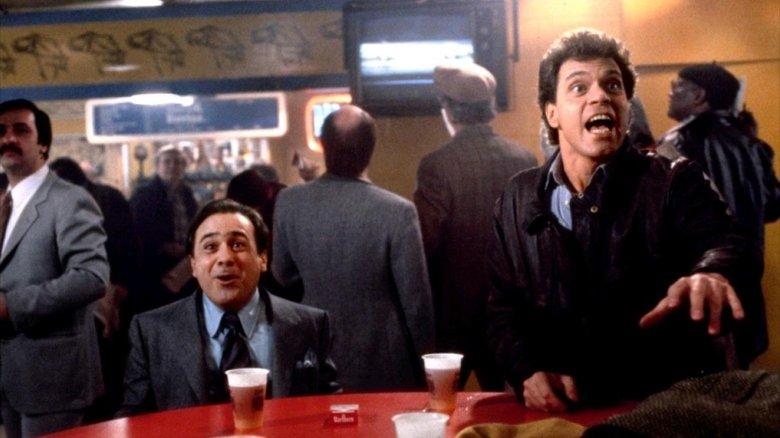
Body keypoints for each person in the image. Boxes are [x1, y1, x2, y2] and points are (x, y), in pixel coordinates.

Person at [487, 29, 761, 412]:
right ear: (552, 113)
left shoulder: (675, 181)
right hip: (559, 414)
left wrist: (713, 273)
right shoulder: (517, 198)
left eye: (612, 85)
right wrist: (525, 370)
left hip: (653, 412)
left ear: (626, 107)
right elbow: (502, 308)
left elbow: (727, 244)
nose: (600, 96)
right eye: (579, 87)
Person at [120, 199, 340, 416]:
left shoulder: (310, 325)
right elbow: (134, 421)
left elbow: (331, 411)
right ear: (193, 265)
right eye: (210, 247)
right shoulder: (151, 332)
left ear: (263, 258)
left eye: (237, 245)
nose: (225, 258)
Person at [272, 105, 434, 391]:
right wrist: (428, 368)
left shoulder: (289, 201)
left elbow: (283, 276)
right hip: (385, 364)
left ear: (323, 145)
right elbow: (416, 304)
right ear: (371, 149)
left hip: (316, 356)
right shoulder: (398, 211)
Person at [414, 62, 537, 390]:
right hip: (510, 313)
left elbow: (425, 242)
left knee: (440, 403)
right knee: (507, 406)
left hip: (453, 314)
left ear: (447, 109)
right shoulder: (524, 159)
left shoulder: (436, 165)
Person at [657, 64, 779, 366]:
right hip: (746, 294)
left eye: (676, 86)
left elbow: (658, 215)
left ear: (699, 95)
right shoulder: (753, 144)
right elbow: (773, 207)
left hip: (697, 296)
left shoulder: (675, 143)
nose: (670, 92)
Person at [0, 98, 109, 436]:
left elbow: (91, 277)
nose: (8, 139)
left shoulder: (68, 199)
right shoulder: (5, 202)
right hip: (10, 374)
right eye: (1, 131)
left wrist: (11, 306)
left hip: (53, 379)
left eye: (21, 130)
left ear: (43, 145)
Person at [49, 156, 138, 421]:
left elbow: (126, 246)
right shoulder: (108, 196)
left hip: (96, 293)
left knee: (102, 360)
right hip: (107, 291)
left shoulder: (72, 202)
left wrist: (116, 288)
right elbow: (131, 246)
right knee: (110, 362)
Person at [129, 145, 198, 312]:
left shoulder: (187, 194)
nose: (172, 166)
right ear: (157, 166)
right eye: (167, 162)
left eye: (177, 162)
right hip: (154, 268)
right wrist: (162, 246)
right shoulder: (144, 195)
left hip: (183, 266)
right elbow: (136, 229)